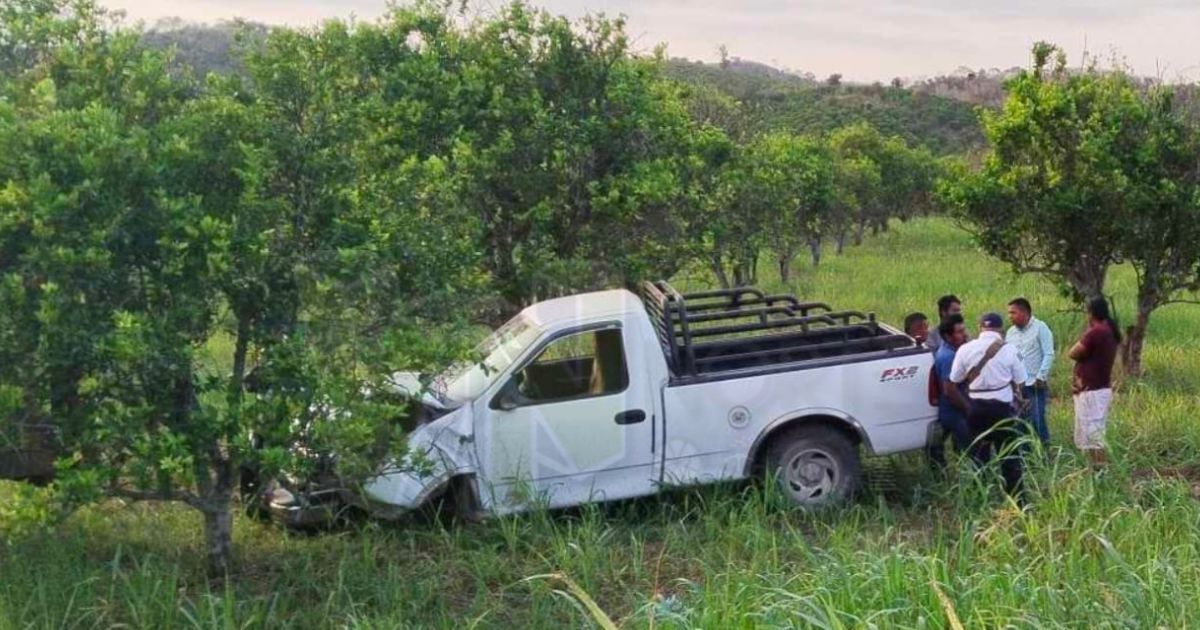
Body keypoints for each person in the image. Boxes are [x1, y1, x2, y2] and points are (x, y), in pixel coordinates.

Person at [948, 312, 1029, 500]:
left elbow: (955, 379)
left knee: (978, 457)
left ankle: (980, 497)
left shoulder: (965, 349)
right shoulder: (1010, 349)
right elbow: (1021, 380)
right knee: (1009, 457)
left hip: (976, 409)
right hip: (1002, 411)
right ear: (1001, 329)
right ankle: (1017, 498)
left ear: (980, 328)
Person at [1068, 297, 1120, 467]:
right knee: (1091, 430)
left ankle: (1099, 467)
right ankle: (1096, 468)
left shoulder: (1096, 332)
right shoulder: (1108, 330)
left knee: (1093, 432)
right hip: (1097, 387)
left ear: (1090, 312)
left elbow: (1074, 352)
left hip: (1092, 389)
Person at [1005, 298, 1055, 446]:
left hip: (1034, 384)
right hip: (1017, 386)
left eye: (1013, 312)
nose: (1010, 316)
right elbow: (1010, 356)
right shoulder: (1010, 333)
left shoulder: (1040, 327)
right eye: (1009, 313)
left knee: (1037, 420)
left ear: (1024, 312)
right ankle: (1026, 459)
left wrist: (1041, 376)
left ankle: (1044, 454)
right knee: (1020, 423)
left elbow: (1049, 353)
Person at [927, 314, 971, 466]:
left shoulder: (952, 350)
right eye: (959, 332)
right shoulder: (948, 356)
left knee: (947, 447)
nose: (964, 334)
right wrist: (968, 409)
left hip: (952, 410)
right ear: (947, 336)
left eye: (963, 330)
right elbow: (950, 390)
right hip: (954, 412)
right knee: (971, 452)